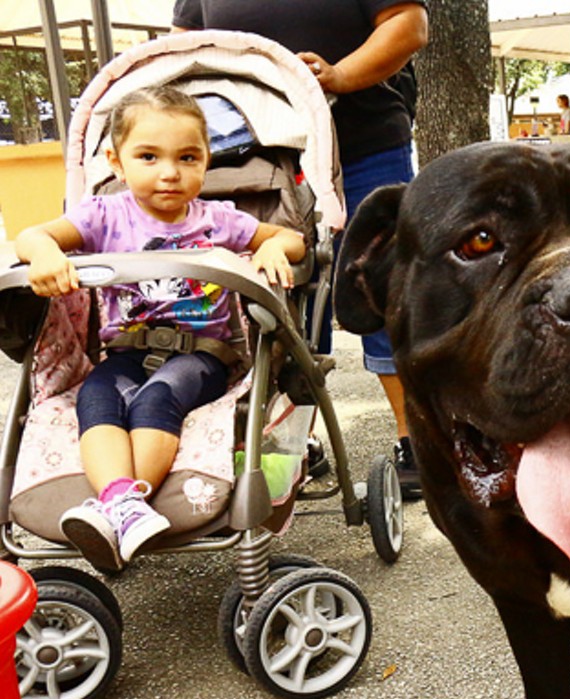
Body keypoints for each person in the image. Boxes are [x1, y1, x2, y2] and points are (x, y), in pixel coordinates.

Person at [14, 86, 306, 570]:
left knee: (157, 397)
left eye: (188, 157)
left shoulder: (218, 221)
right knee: (96, 398)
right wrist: (45, 252)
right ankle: (120, 502)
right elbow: (33, 235)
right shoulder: (102, 217)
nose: (169, 172)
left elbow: (290, 239)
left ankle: (122, 506)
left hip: (204, 355)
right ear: (116, 160)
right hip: (124, 353)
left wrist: (273, 248)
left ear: (206, 161)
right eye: (148, 156)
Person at [172, 0, 432, 495]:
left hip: (362, 140)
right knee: (279, 298)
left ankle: (418, 442)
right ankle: (292, 444)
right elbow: (183, 47)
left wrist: (336, 76)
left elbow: (408, 25)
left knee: (390, 289)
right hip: (256, 156)